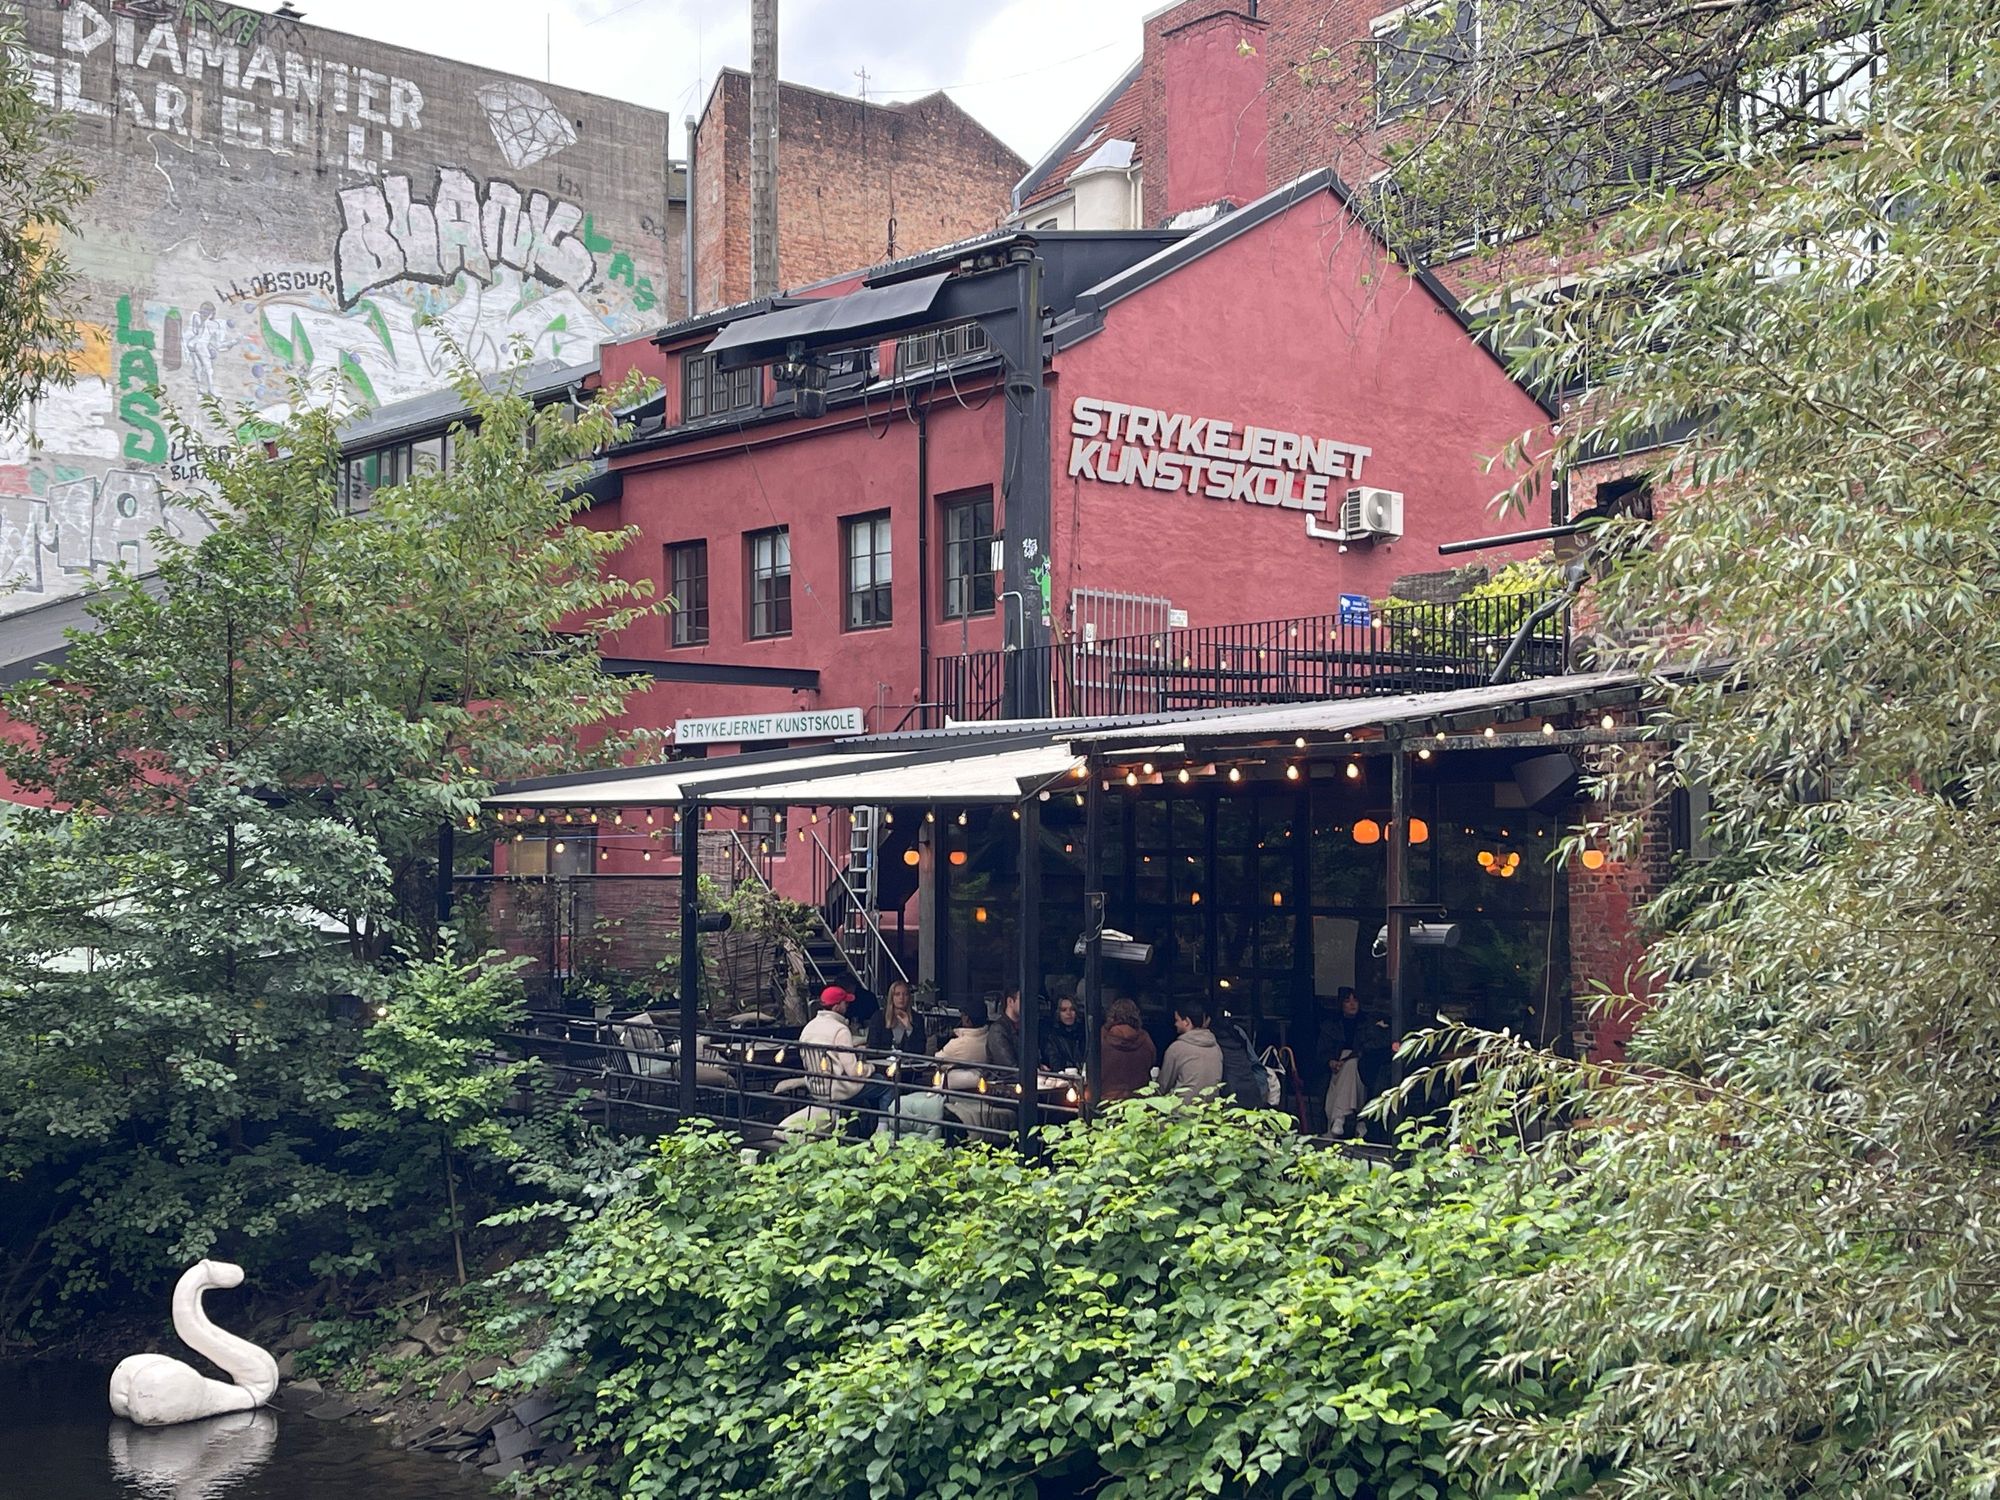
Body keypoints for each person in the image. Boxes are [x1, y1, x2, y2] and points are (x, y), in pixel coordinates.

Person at [797, 984, 891, 1122]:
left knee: (863, 1095)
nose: (848, 1005)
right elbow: (853, 1072)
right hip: (838, 1088)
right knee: (886, 1085)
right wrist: (870, 1068)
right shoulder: (840, 1030)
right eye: (845, 1003)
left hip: (816, 1086)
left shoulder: (808, 1027)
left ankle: (854, 1126)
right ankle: (883, 1128)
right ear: (836, 1007)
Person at [1321, 987, 1369, 1136]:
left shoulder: (1367, 1024)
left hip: (1362, 1069)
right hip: (1337, 1070)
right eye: (1348, 1001)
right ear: (1341, 1004)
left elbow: (1368, 1048)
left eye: (1355, 1000)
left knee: (1352, 1064)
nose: (1352, 1004)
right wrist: (1331, 1062)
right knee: (1348, 1069)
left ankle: (1339, 1117)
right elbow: (1322, 1051)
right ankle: (1360, 1120)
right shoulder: (1331, 1025)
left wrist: (1348, 1058)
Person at [1157, 998, 1224, 1100]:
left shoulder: (1177, 1048)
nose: (1175, 1024)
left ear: (1187, 1022)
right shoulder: (1216, 1047)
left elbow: (1163, 1087)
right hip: (1211, 1106)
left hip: (1183, 1107)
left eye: (1177, 1020)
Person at [1098, 997, 1157, 1101]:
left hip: (1107, 1098)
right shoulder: (1145, 1038)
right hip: (1138, 1100)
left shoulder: (1101, 1037)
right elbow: (1152, 1061)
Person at [1212, 1006, 1268, 1109]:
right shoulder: (1237, 1032)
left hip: (1230, 1098)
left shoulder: (1210, 1042)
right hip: (1252, 1093)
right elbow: (1256, 1066)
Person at [866, 979, 930, 1057]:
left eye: (905, 994)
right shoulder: (878, 1017)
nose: (901, 998)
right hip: (882, 1062)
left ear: (909, 997)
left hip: (908, 1063)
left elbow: (920, 1050)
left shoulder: (917, 1018)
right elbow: (872, 1048)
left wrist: (909, 1028)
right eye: (897, 994)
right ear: (891, 997)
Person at [1043, 992, 1087, 1074]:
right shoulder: (1051, 1037)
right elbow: (1054, 1061)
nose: (1068, 1013)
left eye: (1072, 1009)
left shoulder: (1084, 1034)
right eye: (1064, 1010)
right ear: (1058, 1013)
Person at [985, 988, 1021, 1071]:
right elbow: (1007, 1066)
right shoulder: (997, 1030)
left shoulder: (1026, 1027)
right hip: (1002, 1077)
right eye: (1023, 1000)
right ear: (1010, 1001)